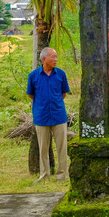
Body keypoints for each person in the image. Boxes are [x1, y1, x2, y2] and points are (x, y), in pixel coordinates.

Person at [27, 47, 71, 182]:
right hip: (41, 116)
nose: (56, 60)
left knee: (62, 148)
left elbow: (63, 93)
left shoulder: (61, 74)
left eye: (56, 57)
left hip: (59, 116)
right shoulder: (33, 75)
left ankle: (61, 176)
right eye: (53, 57)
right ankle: (45, 175)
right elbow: (30, 94)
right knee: (43, 149)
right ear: (44, 59)